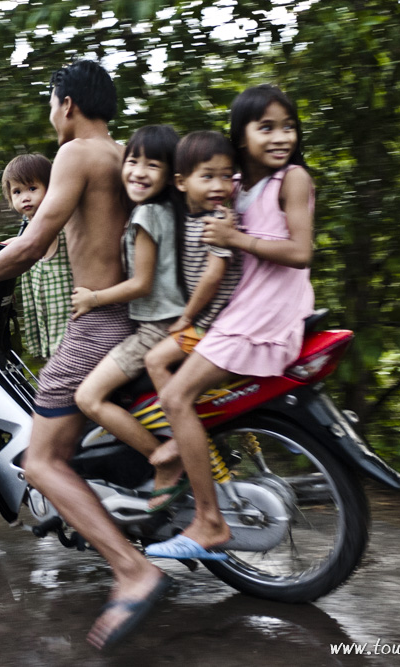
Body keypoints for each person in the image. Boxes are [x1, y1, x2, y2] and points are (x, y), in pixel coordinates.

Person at [0, 60, 172, 651]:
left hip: (99, 325)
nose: (50, 113)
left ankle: (132, 568)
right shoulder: (122, 156)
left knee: (40, 461)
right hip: (138, 316)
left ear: (66, 104)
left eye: (50, 101)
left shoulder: (76, 154)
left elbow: (36, 240)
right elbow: (54, 231)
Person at [145, 84, 316, 561]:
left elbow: (301, 252)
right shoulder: (238, 185)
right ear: (241, 135)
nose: (281, 137)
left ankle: (209, 522)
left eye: (288, 126)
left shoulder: (293, 179)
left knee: (177, 396)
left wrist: (238, 238)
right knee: (160, 361)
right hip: (239, 306)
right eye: (266, 127)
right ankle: (185, 447)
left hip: (268, 311)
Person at [71, 125, 185, 487]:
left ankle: (163, 460)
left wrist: (94, 298)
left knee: (88, 398)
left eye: (152, 165)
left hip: (157, 328)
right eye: (132, 160)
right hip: (172, 323)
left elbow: (141, 284)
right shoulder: (169, 212)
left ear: (169, 176)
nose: (138, 171)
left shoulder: (147, 215)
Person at [140, 131, 241, 509]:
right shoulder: (194, 218)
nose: (219, 185)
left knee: (154, 359)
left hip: (210, 322)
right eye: (208, 176)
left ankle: (179, 440)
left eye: (226, 176)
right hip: (209, 318)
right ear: (181, 182)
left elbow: (214, 275)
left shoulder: (218, 220)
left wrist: (186, 317)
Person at [0, 154, 73, 358]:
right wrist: (6, 244)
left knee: (63, 353)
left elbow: (23, 248)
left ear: (50, 189)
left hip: (62, 304)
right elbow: (21, 242)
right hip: (48, 306)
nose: (25, 196)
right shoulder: (32, 225)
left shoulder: (52, 222)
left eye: (32, 189)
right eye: (17, 191)